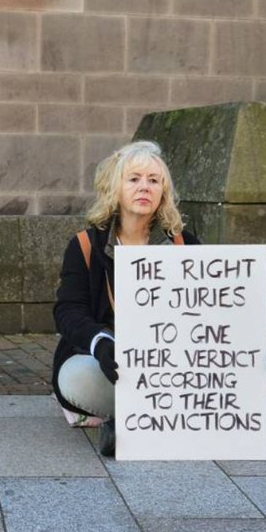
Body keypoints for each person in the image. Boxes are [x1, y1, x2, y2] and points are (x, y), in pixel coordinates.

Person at [52, 140, 199, 456]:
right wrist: (101, 343)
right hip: (112, 360)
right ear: (114, 189)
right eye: (134, 179)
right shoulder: (84, 247)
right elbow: (69, 312)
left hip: (171, 363)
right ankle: (167, 421)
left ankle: (131, 424)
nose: (144, 187)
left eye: (153, 180)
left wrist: (248, 347)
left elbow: (213, 307)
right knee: (76, 379)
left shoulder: (183, 245)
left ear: (163, 192)